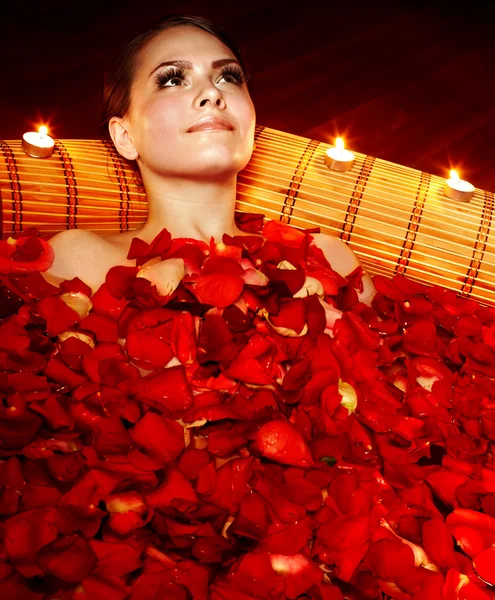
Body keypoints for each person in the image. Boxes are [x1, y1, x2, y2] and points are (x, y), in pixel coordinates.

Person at [43, 14, 375, 303]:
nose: (213, 94)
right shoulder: (76, 258)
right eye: (173, 79)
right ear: (125, 137)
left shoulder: (329, 257)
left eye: (228, 77)